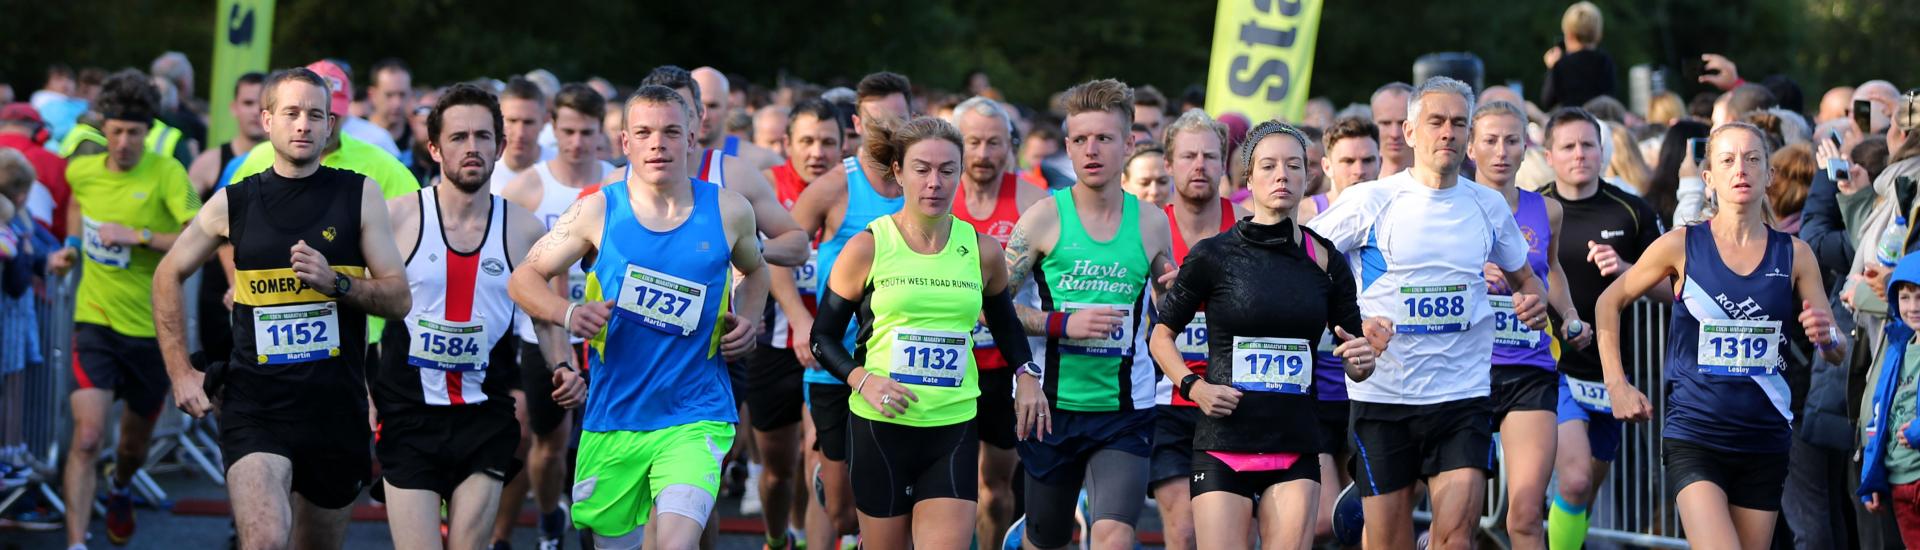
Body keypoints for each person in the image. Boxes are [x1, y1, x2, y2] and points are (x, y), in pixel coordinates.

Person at [152, 66, 413, 550]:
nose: (303, 125)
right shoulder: (234, 201)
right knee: (266, 541)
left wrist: (335, 282)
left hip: (335, 407)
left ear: (331, 126)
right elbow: (168, 272)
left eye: (316, 115)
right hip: (256, 405)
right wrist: (180, 372)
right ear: (266, 119)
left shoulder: (359, 195)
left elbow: (398, 297)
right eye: (291, 113)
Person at [507, 84, 768, 550]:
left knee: (675, 543)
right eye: (644, 132)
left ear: (691, 139)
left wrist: (747, 319)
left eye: (671, 132)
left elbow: (756, 270)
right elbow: (523, 279)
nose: (658, 143)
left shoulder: (730, 211)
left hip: (696, 413)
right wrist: (568, 313)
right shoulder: (596, 211)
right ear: (625, 143)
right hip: (615, 417)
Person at [1305, 77, 1550, 550]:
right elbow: (1300, 271)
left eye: (1459, 123)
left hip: (1462, 397)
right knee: (1387, 541)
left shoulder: (1489, 205)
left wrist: (1534, 303)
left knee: (1457, 540)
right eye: (1436, 122)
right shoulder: (1370, 200)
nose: (1448, 133)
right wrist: (1353, 324)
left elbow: (1528, 281)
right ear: (1411, 132)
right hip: (1385, 399)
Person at [1595, 121, 1847, 549]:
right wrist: (1616, 384)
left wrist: (1827, 339)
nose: (1741, 170)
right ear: (1708, 177)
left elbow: (1836, 349)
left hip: (1764, 438)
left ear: (1769, 175)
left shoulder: (1795, 254)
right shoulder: (1681, 245)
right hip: (1695, 434)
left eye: (1752, 159)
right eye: (1727, 160)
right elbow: (1609, 301)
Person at [806, 114, 1038, 549]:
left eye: (947, 170)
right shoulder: (868, 247)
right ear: (898, 172)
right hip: (881, 426)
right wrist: (863, 380)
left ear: (960, 172)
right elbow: (822, 337)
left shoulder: (982, 250)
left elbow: (1006, 324)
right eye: (922, 169)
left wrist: (1027, 375)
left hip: (952, 425)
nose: (935, 182)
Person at [1151, 118, 1382, 550]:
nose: (1282, 176)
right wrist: (1193, 386)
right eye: (1269, 166)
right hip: (1223, 442)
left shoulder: (1324, 258)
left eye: (1294, 166)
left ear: (1308, 175)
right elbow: (1161, 336)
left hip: (1294, 442)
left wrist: (1363, 359)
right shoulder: (1213, 255)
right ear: (1248, 178)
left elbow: (1357, 356)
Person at [374, 82, 586, 550]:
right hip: (409, 413)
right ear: (434, 148)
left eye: (483, 137)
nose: (472, 147)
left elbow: (544, 317)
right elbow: (364, 304)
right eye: (458, 137)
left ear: (500, 146)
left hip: (484, 415)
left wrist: (564, 366)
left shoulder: (525, 229)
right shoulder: (397, 218)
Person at [1002, 78, 1179, 550]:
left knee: (1113, 537)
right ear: (1067, 147)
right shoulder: (1043, 218)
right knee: (1048, 539)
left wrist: (1175, 291)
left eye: (1104, 138)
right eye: (1080, 140)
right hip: (1050, 408)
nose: (1092, 149)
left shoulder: (1151, 221)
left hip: (1126, 411)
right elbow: (990, 306)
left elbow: (1168, 305)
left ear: (1129, 143)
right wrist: (1060, 324)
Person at [42, 71, 198, 550]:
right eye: (116, 131)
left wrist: (143, 237)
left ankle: (123, 485)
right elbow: (76, 210)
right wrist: (69, 246)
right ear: (102, 129)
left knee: (131, 448)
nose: (125, 141)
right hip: (95, 320)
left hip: (154, 330)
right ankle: (76, 543)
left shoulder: (168, 172)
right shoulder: (82, 171)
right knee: (88, 439)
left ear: (148, 131)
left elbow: (201, 234)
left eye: (135, 132)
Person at [786, 71, 915, 550]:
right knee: (840, 514)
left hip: (901, 363)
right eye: (878, 123)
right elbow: (782, 252)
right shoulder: (834, 186)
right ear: (858, 123)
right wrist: (800, 320)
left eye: (898, 122)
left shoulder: (922, 185)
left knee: (892, 495)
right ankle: (835, 495)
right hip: (836, 362)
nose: (888, 133)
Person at [1534, 107, 1667, 550]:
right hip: (1548, 368)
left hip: (1609, 374)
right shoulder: (1533, 206)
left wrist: (1630, 271)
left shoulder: (1631, 210)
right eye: (1568, 147)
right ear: (1549, 154)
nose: (1579, 155)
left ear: (1602, 150)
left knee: (1583, 491)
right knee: (1571, 483)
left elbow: (1674, 287)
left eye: (1588, 145)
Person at [491, 82, 616, 550]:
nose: (577, 142)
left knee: (603, 439)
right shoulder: (525, 189)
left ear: (601, 131)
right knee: (548, 441)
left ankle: (599, 528)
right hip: (540, 331)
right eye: (568, 131)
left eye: (587, 131)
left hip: (608, 331)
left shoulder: (618, 181)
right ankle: (548, 515)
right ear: (553, 127)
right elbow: (510, 271)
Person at [1468, 102, 1593, 550]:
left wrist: (1570, 315)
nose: (1501, 151)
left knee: (1524, 516)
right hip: (1465, 374)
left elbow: (1551, 270)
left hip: (1529, 370)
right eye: (1490, 140)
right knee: (1459, 520)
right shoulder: (1448, 210)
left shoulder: (1548, 211)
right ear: (1470, 146)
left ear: (1526, 148)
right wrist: (1470, 275)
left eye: (1512, 140)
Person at [1143, 109, 1244, 550]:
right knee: (1184, 532)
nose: (1199, 165)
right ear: (1169, 164)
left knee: (1232, 536)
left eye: (1209, 155)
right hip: (1167, 401)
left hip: (1236, 399)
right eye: (1187, 156)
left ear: (1225, 163)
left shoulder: (1248, 226)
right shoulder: (1146, 229)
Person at [946, 96, 1045, 548]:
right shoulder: (935, 195)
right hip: (945, 364)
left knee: (994, 491)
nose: (983, 154)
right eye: (973, 143)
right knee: (944, 488)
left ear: (1011, 146)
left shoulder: (1032, 202)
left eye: (994, 143)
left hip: (1005, 365)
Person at [751, 98, 845, 550]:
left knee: (817, 452)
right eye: (806, 141)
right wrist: (796, 316)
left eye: (828, 142)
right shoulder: (765, 188)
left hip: (830, 347)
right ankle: (777, 536)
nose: (817, 152)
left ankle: (818, 535)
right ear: (787, 143)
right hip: (774, 343)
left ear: (843, 144)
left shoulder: (850, 190)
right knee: (776, 470)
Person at [1858, 256, 1920, 548]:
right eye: (1905, 297)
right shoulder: (1897, 349)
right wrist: (1872, 477)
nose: (1913, 307)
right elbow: (1879, 416)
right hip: (1899, 482)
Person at [692, 67, 783, 172]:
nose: (704, 116)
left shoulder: (761, 161)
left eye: (713, 106)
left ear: (728, 107)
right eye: (697, 105)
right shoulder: (672, 161)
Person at [1297, 116, 1381, 224]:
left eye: (1368, 160)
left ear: (1381, 162)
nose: (1359, 171)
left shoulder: (1395, 212)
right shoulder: (1303, 218)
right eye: (1348, 161)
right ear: (1327, 167)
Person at [1540, 1, 1617, 109]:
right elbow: (1610, 97)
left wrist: (1552, 69)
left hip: (1571, 120)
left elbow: (1547, 101)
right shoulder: (1605, 61)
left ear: (1569, 33)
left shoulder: (1561, 64)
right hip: (1598, 120)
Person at [486, 78, 551, 194]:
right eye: (512, 120)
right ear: (498, 120)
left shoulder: (563, 169)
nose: (520, 132)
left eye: (528, 122)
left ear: (544, 121)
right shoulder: (483, 172)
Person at [366, 59, 414, 154]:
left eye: (402, 94)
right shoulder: (355, 135)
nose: (397, 103)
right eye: (389, 95)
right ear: (372, 95)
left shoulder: (419, 142)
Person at [1370, 83, 1414, 177]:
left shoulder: (1441, 182)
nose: (1394, 134)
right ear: (1372, 124)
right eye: (1385, 123)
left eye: (1402, 123)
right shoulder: (1359, 184)